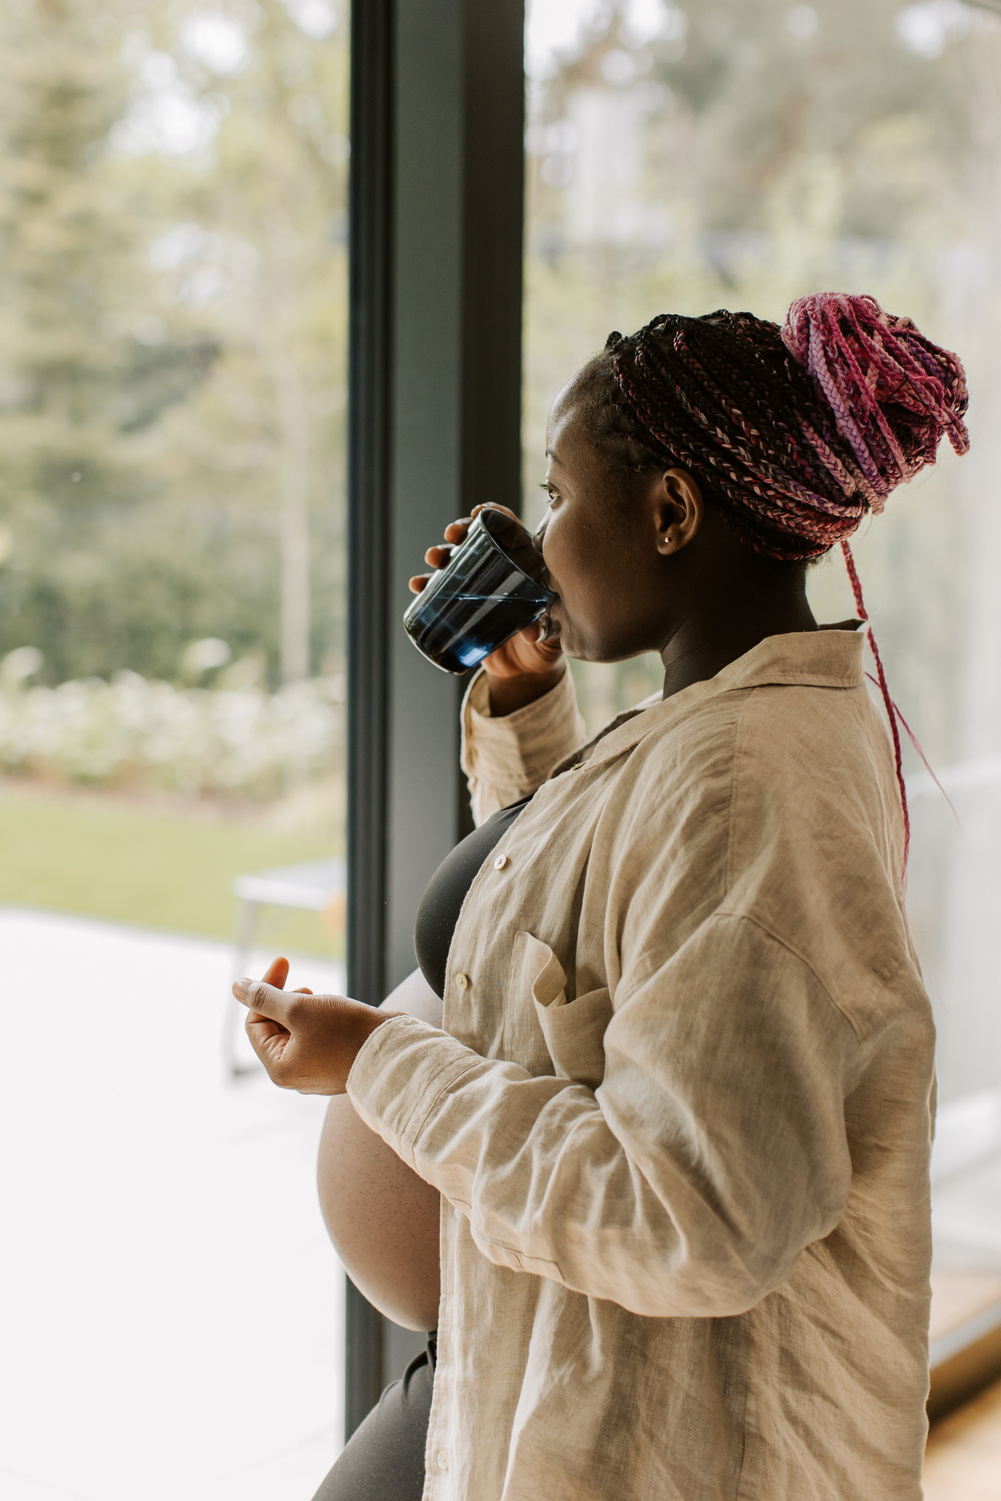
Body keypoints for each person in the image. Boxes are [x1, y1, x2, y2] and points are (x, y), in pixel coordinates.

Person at [235, 293, 969, 1501]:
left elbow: (691, 1214)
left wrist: (376, 1063)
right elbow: (578, 949)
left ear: (671, 510)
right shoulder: (713, 724)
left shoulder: (746, 785)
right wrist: (527, 708)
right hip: (527, 1330)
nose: (541, 533)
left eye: (560, 493)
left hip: (640, 1417)